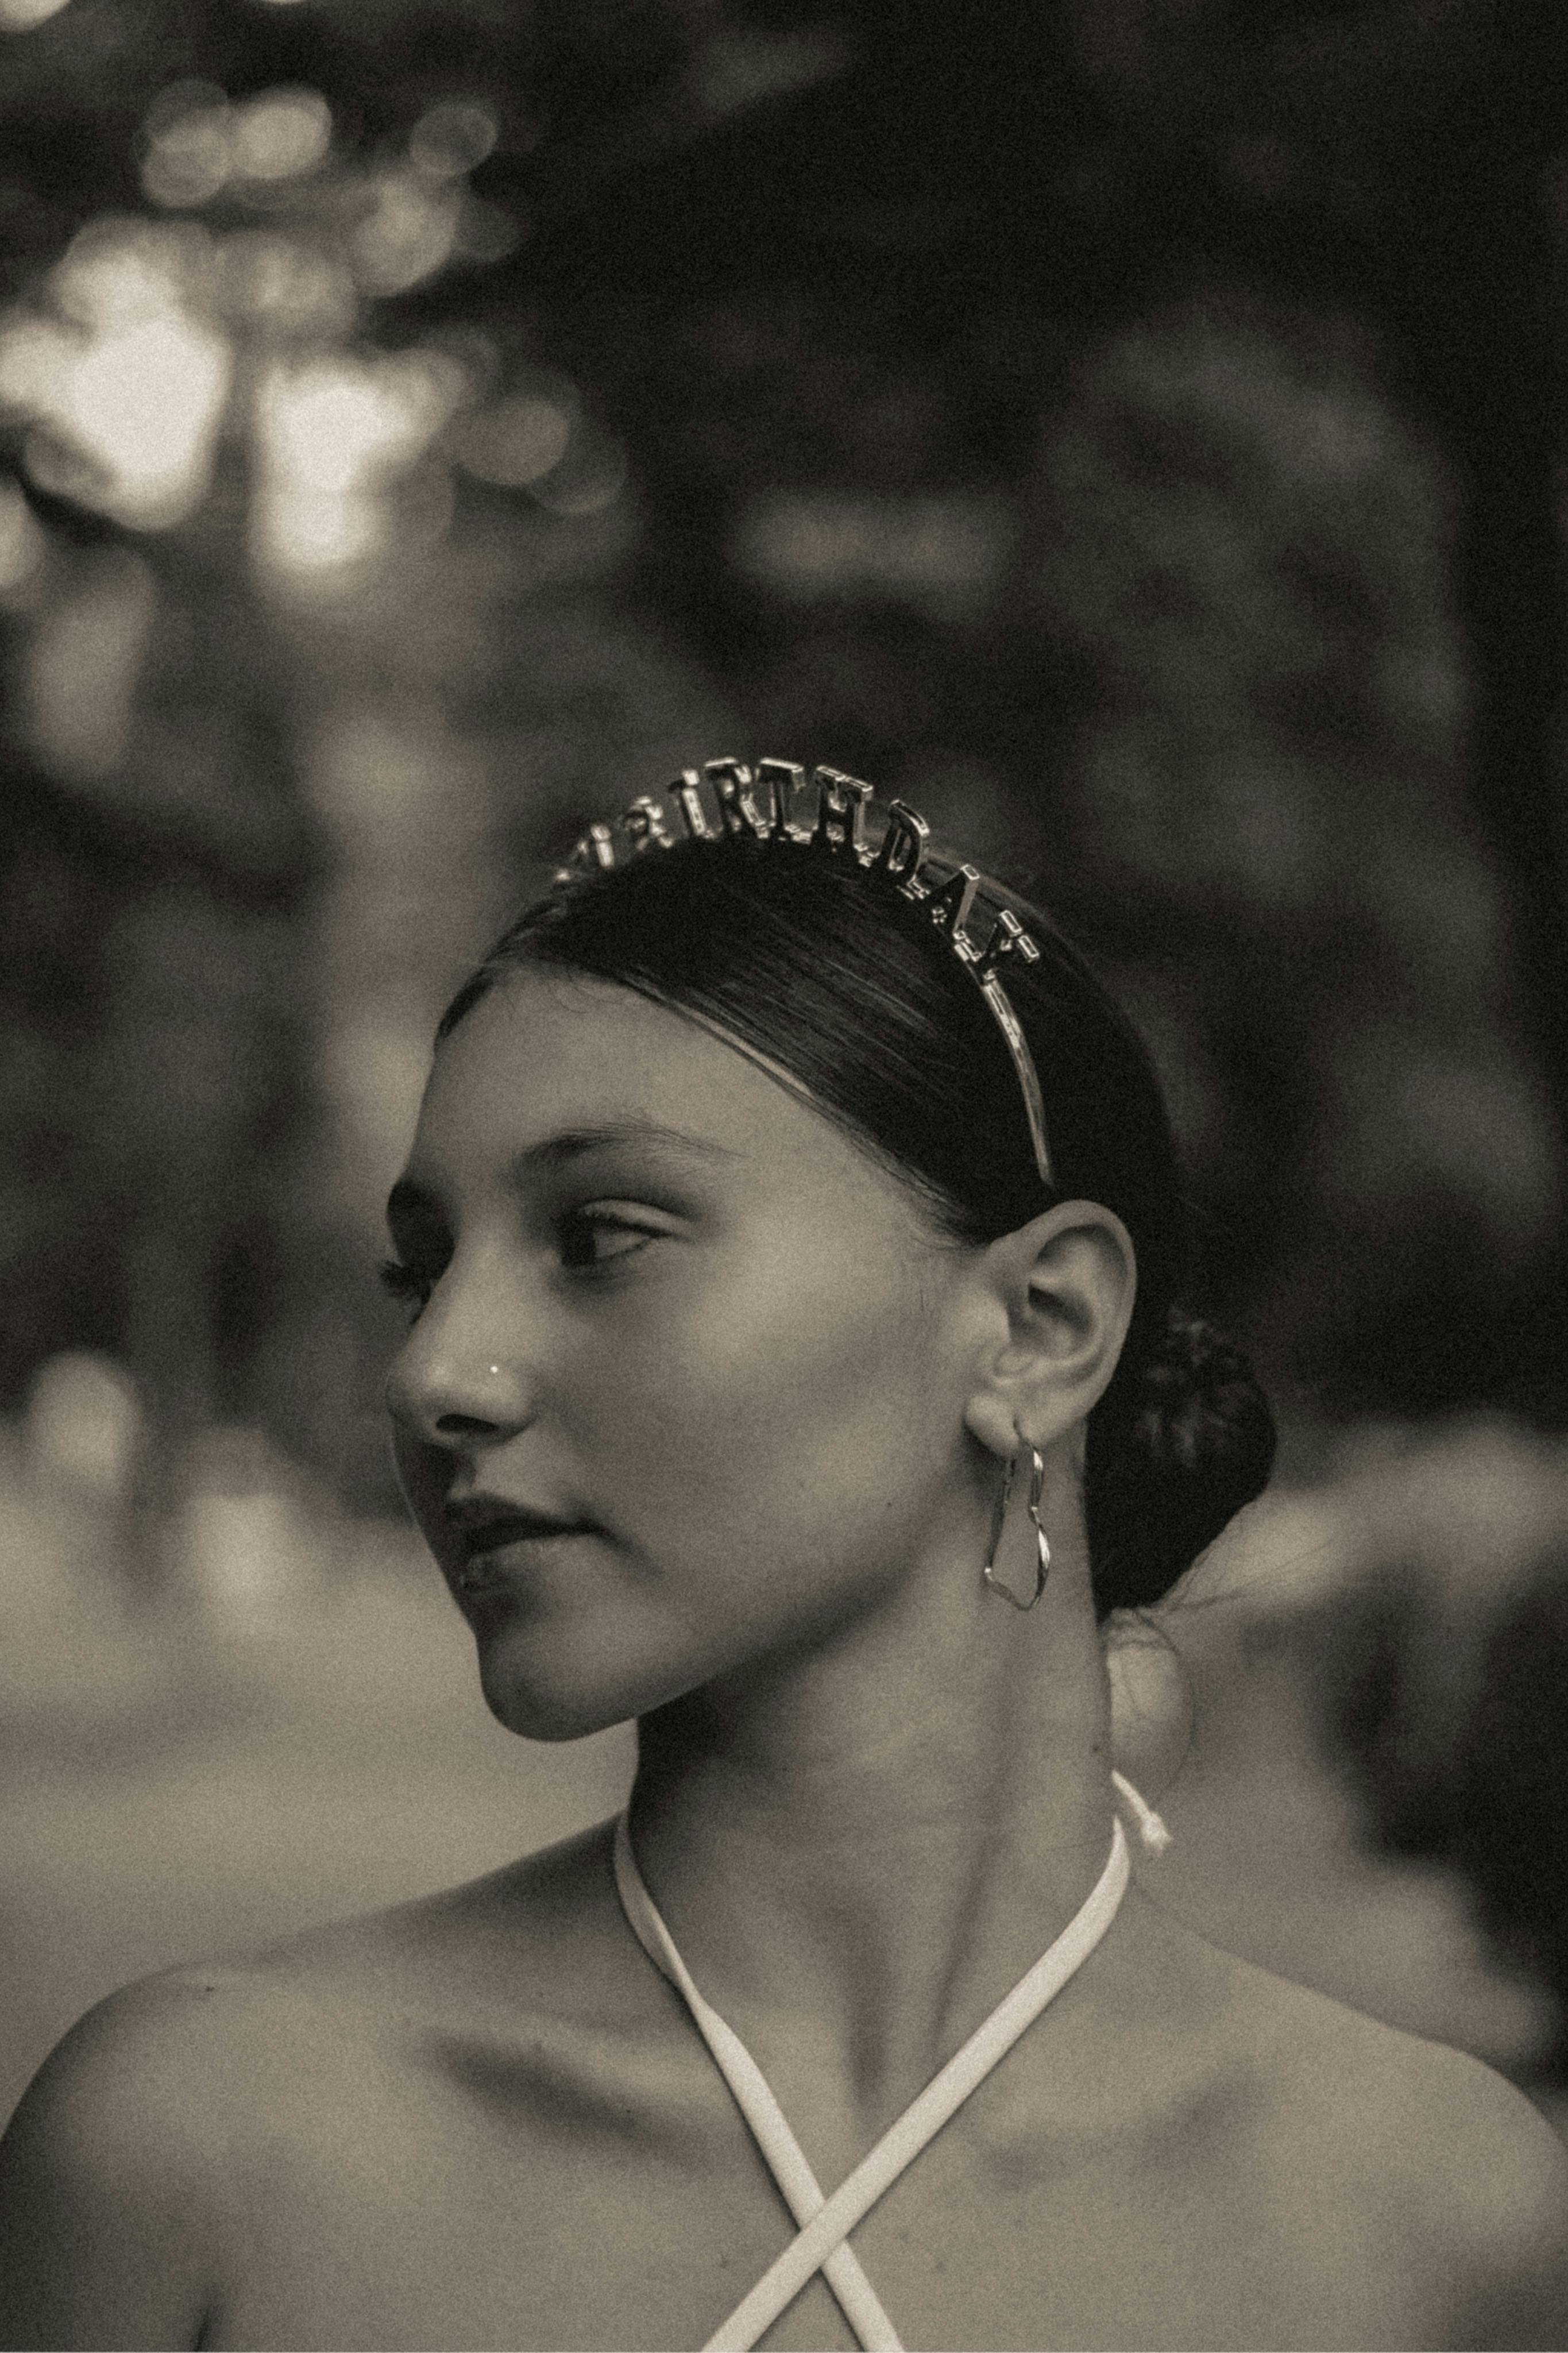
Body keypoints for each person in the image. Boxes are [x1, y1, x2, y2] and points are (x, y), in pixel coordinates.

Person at [2, 757, 1564, 2352]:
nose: (434, 1374)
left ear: (1038, 1329)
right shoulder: (200, 2160)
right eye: (423, 1272)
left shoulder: (1439, 2230)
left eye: (600, 1235)